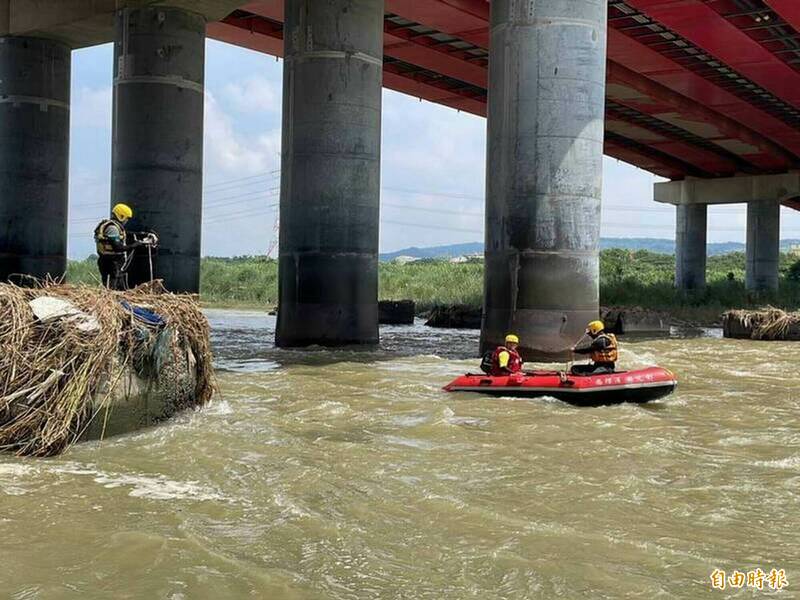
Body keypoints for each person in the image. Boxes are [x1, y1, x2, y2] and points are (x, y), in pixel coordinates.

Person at [94, 203, 144, 290]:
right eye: (127, 218)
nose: (126, 221)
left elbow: (123, 234)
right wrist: (135, 245)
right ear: (121, 216)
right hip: (112, 263)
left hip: (106, 261)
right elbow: (118, 248)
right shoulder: (112, 228)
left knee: (114, 287)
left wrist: (140, 234)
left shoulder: (111, 226)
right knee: (115, 288)